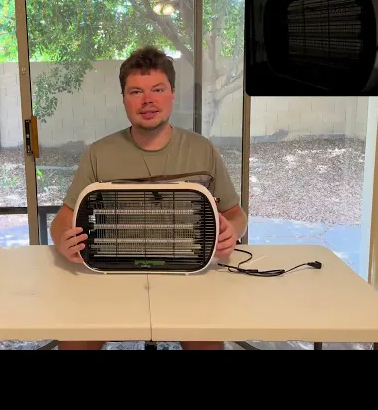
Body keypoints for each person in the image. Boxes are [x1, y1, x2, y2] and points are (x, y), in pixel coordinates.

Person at [49, 45, 248, 350]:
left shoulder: (202, 150)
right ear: (124, 99)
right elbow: (62, 220)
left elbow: (236, 213)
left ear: (172, 94)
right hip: (112, 273)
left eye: (157, 89)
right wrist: (63, 241)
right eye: (136, 92)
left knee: (207, 343)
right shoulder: (98, 154)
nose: (148, 100)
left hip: (188, 272)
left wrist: (232, 231)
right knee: (74, 343)